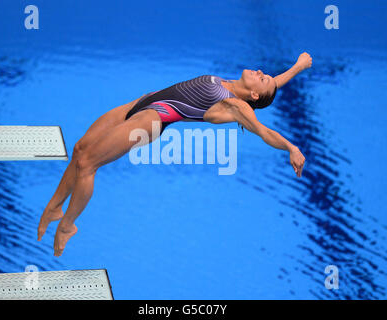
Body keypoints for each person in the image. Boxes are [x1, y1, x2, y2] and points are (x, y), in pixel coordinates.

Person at [37, 52, 312, 256]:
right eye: (264, 75)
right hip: (144, 101)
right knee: (80, 149)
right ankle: (54, 207)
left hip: (153, 119)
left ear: (253, 94)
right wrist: (298, 67)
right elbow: (272, 85)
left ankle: (68, 225)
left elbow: (264, 132)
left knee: (87, 164)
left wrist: (291, 147)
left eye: (262, 79)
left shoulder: (236, 106)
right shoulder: (238, 85)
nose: (263, 72)